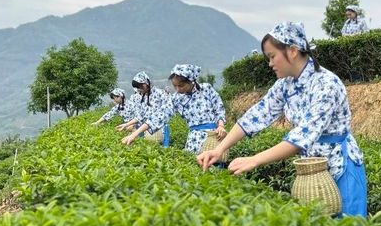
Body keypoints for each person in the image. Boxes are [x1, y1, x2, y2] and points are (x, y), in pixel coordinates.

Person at [198, 22, 367, 216]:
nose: (269, 64)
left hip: (341, 166)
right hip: (311, 171)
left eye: (272, 56)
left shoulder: (326, 84)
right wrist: (219, 149)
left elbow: (301, 137)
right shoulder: (285, 84)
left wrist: (254, 160)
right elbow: (256, 116)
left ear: (292, 51)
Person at [168, 64, 227, 153]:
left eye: (181, 86)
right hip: (194, 140)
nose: (177, 89)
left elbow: (219, 107)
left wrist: (221, 126)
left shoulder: (206, 89)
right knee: (193, 163)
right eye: (174, 86)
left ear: (191, 81)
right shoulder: (176, 98)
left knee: (213, 162)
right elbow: (161, 115)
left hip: (212, 136)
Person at [120, 72, 173, 146]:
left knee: (157, 147)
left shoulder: (160, 94)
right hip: (145, 128)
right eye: (137, 88)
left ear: (145, 84)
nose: (138, 90)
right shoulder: (143, 97)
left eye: (139, 87)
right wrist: (126, 125)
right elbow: (140, 116)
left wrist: (134, 134)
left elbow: (159, 116)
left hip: (159, 128)